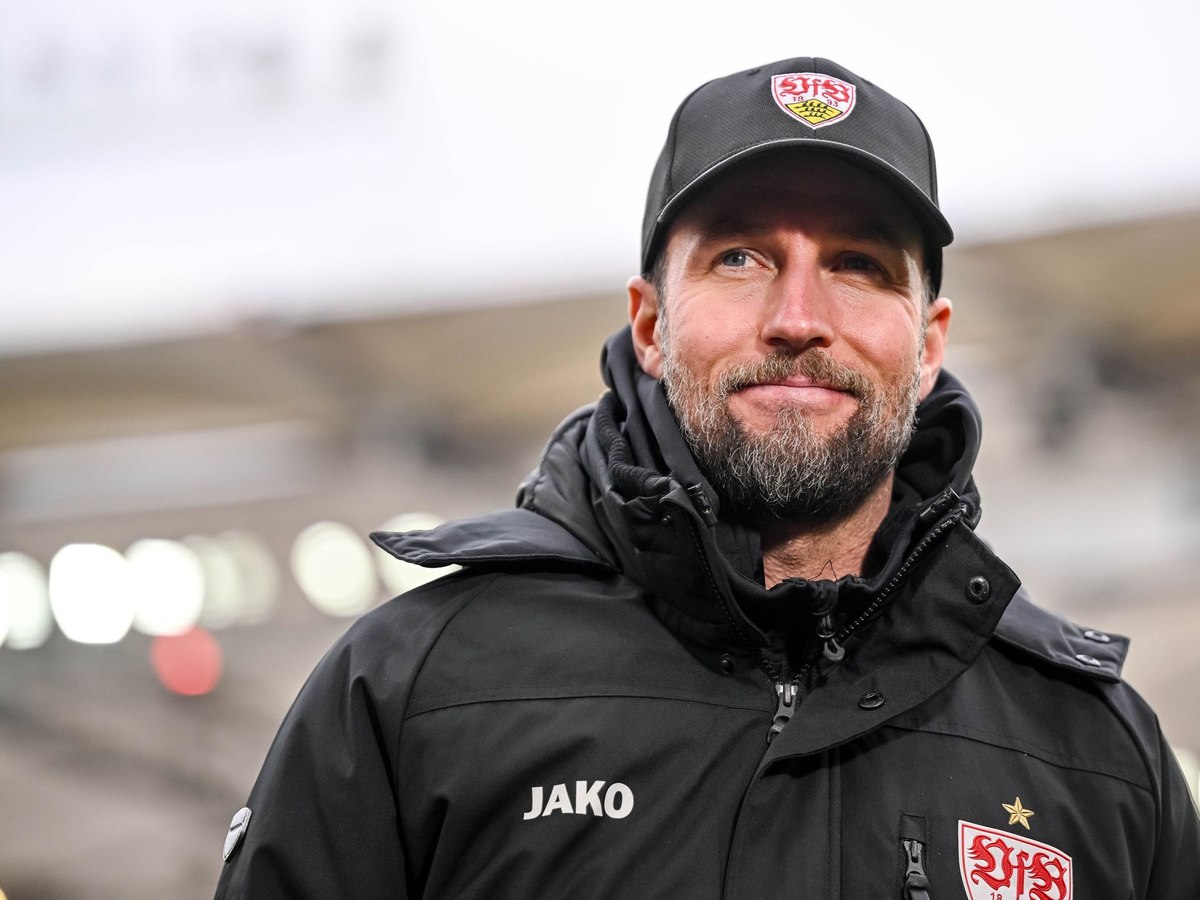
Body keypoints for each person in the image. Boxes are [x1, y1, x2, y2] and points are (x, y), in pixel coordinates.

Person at [214, 57, 1200, 899]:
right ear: (650, 324)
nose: (798, 317)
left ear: (929, 343)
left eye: (859, 265)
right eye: (740, 257)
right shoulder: (419, 683)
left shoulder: (1096, 751)